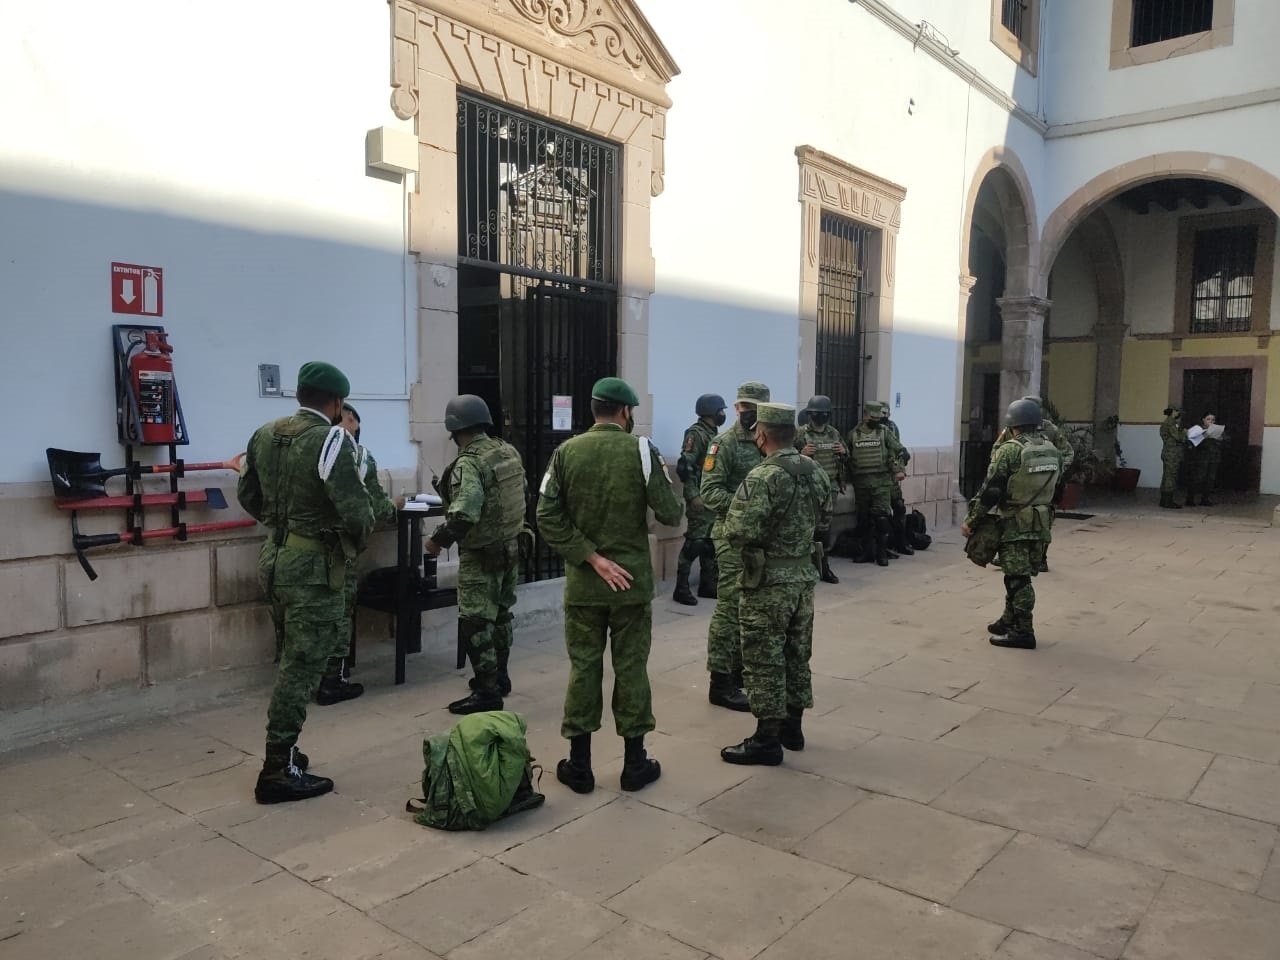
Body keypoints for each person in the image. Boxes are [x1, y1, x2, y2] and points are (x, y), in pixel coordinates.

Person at [536, 377, 683, 794]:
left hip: (585, 585)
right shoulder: (642, 451)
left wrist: (593, 557)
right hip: (630, 586)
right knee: (631, 668)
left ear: (594, 409)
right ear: (625, 412)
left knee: (584, 667)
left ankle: (579, 765)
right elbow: (670, 513)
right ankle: (634, 764)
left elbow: (546, 516)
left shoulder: (566, 452)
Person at [237, 361, 375, 803]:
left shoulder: (264, 434)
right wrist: (346, 541)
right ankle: (277, 769)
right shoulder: (332, 440)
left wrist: (283, 528)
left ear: (299, 394)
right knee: (301, 669)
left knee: (290, 660)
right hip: (314, 569)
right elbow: (358, 511)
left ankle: (286, 751)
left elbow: (248, 495)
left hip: (275, 560)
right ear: (336, 402)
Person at [721, 403, 831, 766]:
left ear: (762, 435)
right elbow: (824, 520)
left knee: (763, 658)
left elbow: (738, 531)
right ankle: (792, 728)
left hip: (768, 583)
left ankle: (767, 739)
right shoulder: (815, 470)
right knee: (797, 653)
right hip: (803, 578)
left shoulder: (762, 476)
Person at [425, 395, 528, 714]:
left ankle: (486, 692)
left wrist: (437, 542)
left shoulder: (469, 463)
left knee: (474, 621)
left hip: (482, 555)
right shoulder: (507, 451)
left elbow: (465, 514)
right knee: (501, 615)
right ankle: (500, 677)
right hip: (511, 547)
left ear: (455, 430)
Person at [310, 402, 401, 705]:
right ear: (349, 419)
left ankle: (304, 677)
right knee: (338, 612)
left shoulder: (301, 447)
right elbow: (373, 508)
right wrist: (395, 506)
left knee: (304, 614)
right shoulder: (358, 456)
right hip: (337, 549)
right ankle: (332, 681)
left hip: (294, 548)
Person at [962, 397, 1063, 651]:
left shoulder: (1010, 450)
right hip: (1041, 522)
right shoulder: (1052, 449)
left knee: (1018, 579)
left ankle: (1024, 632)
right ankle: (1008, 620)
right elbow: (1057, 486)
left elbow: (991, 491)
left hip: (1015, 524)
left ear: (1012, 424)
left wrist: (971, 520)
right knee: (1014, 573)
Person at [700, 380, 770, 712]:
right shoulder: (723, 443)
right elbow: (710, 493)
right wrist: (750, 507)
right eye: (744, 406)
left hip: (762, 537)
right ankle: (720, 682)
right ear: (736, 407)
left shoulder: (769, 441)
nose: (748, 412)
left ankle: (739, 671)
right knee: (729, 607)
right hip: (730, 536)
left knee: (752, 607)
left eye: (754, 408)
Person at [994, 397, 1072, 572]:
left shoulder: (1050, 429)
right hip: (1020, 482)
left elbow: (1067, 452)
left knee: (1043, 518)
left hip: (1044, 484)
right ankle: (1007, 554)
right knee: (1010, 517)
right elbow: (997, 449)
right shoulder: (1011, 428)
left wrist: (1055, 472)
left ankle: (1040, 557)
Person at [673, 393, 727, 606]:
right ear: (711, 411)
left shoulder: (712, 433)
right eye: (720, 410)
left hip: (711, 498)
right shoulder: (696, 434)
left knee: (710, 543)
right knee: (694, 544)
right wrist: (693, 495)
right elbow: (685, 466)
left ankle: (707, 584)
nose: (723, 414)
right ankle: (681, 588)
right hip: (700, 499)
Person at [845, 400, 906, 567]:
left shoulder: (885, 432)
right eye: (873, 418)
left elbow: (900, 450)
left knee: (881, 518)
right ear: (865, 414)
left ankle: (882, 553)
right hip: (861, 484)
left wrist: (899, 469)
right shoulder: (853, 434)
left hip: (881, 483)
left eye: (878, 418)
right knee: (864, 519)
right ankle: (866, 552)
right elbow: (846, 458)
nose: (876, 421)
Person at [795, 395, 847, 583]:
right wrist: (800, 453)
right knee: (806, 527)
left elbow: (845, 454)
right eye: (817, 413)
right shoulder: (800, 434)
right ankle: (805, 566)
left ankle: (823, 566)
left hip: (829, 487)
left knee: (825, 529)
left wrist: (843, 451)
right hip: (808, 488)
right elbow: (785, 457)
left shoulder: (833, 433)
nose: (821, 417)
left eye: (824, 413)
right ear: (810, 414)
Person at [881, 406, 915, 558]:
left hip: (891, 477)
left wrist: (899, 468)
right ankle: (884, 546)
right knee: (881, 513)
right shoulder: (866, 431)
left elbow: (900, 451)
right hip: (877, 478)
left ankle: (901, 542)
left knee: (899, 507)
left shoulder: (891, 427)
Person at [1186, 413, 1222, 507]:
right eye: (1208, 419)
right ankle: (1190, 499)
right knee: (1198, 478)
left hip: (1213, 457)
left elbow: (1225, 440)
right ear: (1203, 420)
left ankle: (1205, 499)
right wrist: (1203, 436)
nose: (1211, 421)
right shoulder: (1199, 430)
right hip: (1201, 458)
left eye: (1213, 420)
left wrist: (1220, 438)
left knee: (1210, 479)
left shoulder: (1217, 430)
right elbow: (1191, 442)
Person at [1158, 406, 1187, 509]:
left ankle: (1164, 500)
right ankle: (1168, 501)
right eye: (1178, 411)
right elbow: (1178, 437)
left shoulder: (1168, 422)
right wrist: (1185, 432)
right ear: (1173, 411)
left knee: (1167, 476)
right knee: (1170, 477)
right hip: (1172, 454)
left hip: (1169, 453)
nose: (1179, 414)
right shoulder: (1171, 422)